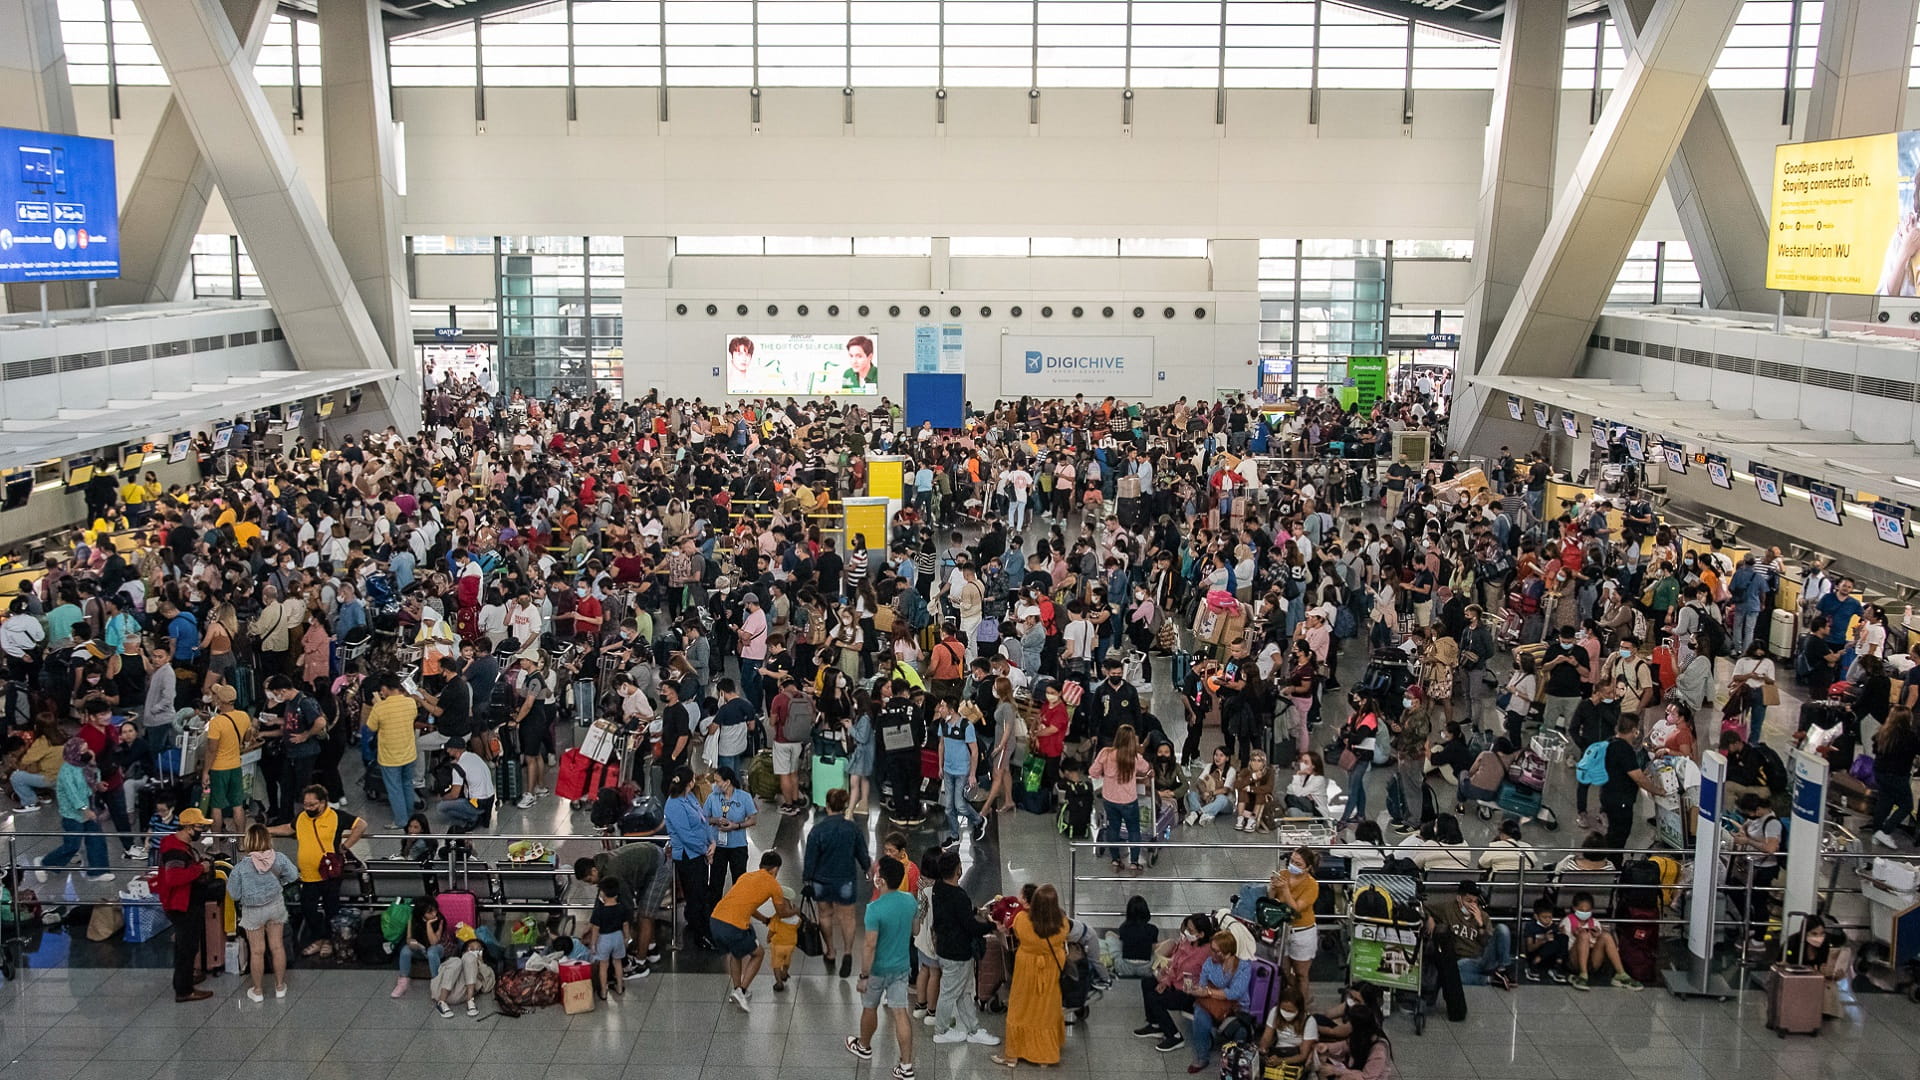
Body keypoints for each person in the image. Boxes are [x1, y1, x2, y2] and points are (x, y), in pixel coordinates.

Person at [268, 784, 367, 959]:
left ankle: (328, 940)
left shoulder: (336, 816)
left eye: (312, 805)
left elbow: (361, 825)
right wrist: (266, 830)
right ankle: (321, 938)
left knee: (331, 908)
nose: (308, 808)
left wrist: (345, 845)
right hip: (307, 875)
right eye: (305, 804)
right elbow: (289, 828)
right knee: (308, 908)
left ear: (323, 802)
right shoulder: (301, 817)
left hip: (329, 874)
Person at [846, 857, 918, 1080]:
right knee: (900, 1012)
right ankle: (906, 1066)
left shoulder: (874, 909)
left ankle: (864, 1046)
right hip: (901, 967)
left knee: (870, 1007)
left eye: (878, 875)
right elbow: (915, 931)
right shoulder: (909, 901)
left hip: (877, 969)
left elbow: (869, 945)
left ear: (882, 881)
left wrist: (863, 975)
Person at [929, 848, 1000, 1045]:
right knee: (950, 992)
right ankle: (941, 1030)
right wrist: (992, 925)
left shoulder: (939, 888)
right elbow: (970, 926)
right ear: (958, 870)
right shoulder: (958, 895)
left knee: (964, 991)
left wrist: (975, 910)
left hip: (945, 947)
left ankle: (973, 1029)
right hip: (957, 953)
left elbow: (956, 913)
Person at [994, 883, 1069, 1069]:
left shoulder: (1022, 921)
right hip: (1051, 969)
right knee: (1046, 1009)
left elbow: (1014, 930)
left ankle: (1013, 1056)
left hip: (1027, 969)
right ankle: (1044, 1055)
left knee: (1020, 1008)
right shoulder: (1062, 923)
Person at [710, 850, 795, 1011]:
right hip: (733, 925)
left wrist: (764, 920)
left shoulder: (745, 877)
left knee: (736, 954)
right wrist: (795, 912)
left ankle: (737, 989)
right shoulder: (773, 884)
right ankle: (741, 991)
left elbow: (746, 904)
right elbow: (782, 912)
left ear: (761, 865)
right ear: (776, 869)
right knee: (758, 953)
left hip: (716, 920)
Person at [803, 787, 872, 978]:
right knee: (847, 918)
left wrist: (807, 879)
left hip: (821, 880)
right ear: (844, 807)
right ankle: (848, 952)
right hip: (845, 880)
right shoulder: (852, 829)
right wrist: (868, 870)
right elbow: (862, 854)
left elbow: (810, 859)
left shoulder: (817, 830)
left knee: (825, 915)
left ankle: (831, 951)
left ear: (827, 806)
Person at [225, 823, 298, 1002]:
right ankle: (280, 987)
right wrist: (280, 882)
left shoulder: (241, 867)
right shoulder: (279, 858)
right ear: (268, 838)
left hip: (253, 911)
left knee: (257, 951)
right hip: (275, 907)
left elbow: (233, 894)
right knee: (277, 947)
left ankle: (257, 991)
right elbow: (294, 876)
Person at [156, 807, 214, 1003]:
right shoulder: (175, 851)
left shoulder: (177, 844)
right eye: (199, 827)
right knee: (186, 948)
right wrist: (201, 868)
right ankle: (184, 989)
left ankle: (186, 976)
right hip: (182, 905)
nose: (202, 831)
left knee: (185, 946)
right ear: (188, 827)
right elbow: (174, 878)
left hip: (183, 903)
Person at [1135, 911, 1216, 1052]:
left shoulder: (1206, 953)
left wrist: (1172, 985)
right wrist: (1165, 981)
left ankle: (1174, 1036)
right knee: (1147, 982)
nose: (1186, 932)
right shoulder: (1186, 943)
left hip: (1190, 992)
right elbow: (1175, 965)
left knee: (1156, 998)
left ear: (1201, 934)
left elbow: (1193, 977)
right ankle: (1154, 1024)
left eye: (1190, 931)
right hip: (1175, 984)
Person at [1184, 929, 1253, 1075]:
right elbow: (1203, 983)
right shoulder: (1209, 963)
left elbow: (1236, 993)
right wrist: (1197, 990)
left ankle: (1233, 1065)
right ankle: (1202, 1056)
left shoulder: (1243, 967)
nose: (1212, 954)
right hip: (1212, 1006)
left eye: (1216, 951)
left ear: (1227, 952)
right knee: (1200, 1015)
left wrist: (1209, 992)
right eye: (1212, 950)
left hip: (1235, 1009)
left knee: (1240, 1031)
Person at [1428, 881, 1513, 988]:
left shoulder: (1483, 915)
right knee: (1449, 974)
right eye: (1468, 901)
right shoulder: (1447, 909)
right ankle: (1491, 980)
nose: (1472, 905)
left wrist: (1480, 924)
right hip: (1464, 961)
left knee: (1502, 928)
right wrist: (1429, 918)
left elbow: (1486, 943)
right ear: (1459, 898)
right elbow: (1423, 908)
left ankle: (1503, 970)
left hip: (1484, 958)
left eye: (1475, 902)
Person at [1729, 793, 1783, 943]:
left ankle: (1758, 938)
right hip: (1750, 865)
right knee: (1735, 890)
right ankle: (1750, 923)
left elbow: (1770, 847)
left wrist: (1747, 840)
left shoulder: (1772, 824)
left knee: (1759, 901)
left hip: (1764, 868)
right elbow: (1747, 830)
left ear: (1758, 809)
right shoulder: (1755, 820)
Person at [201, 682, 252, 840]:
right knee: (238, 806)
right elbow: (248, 737)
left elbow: (211, 750)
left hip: (218, 769)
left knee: (216, 807)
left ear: (219, 701)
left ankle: (216, 845)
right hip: (236, 766)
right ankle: (242, 842)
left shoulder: (216, 723)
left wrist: (205, 771)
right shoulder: (244, 716)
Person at [1563, 891, 1643, 991]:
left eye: (1587, 911)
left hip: (1592, 961)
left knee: (1605, 936)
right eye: (1581, 910)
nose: (1584, 913)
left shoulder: (1595, 923)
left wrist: (1597, 936)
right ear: (1574, 908)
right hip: (1574, 960)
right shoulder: (1567, 921)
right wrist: (1578, 936)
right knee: (1583, 936)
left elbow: (1604, 943)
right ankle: (1582, 975)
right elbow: (1563, 945)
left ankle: (1621, 974)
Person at [1092, 725, 1147, 870]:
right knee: (1134, 830)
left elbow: (1093, 772)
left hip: (1109, 799)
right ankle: (1134, 862)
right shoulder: (1135, 758)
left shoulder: (1105, 753)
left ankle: (1115, 860)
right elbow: (1146, 768)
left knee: (1113, 828)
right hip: (1128, 800)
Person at [1273, 847, 1321, 998]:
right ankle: (1291, 999)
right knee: (1284, 972)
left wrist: (1285, 889)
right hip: (1282, 930)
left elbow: (1296, 909)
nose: (1293, 865)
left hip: (1302, 932)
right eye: (1292, 861)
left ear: (1308, 867)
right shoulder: (1283, 875)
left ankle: (1303, 1005)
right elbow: (1271, 899)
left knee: (1301, 974)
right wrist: (1272, 887)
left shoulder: (1312, 885)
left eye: (1298, 864)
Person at [705, 766, 755, 895]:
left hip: (738, 846)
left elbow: (752, 820)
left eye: (717, 781)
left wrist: (735, 826)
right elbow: (704, 818)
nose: (715, 784)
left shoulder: (744, 797)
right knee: (716, 882)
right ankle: (714, 911)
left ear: (727, 782)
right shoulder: (712, 797)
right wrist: (716, 820)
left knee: (739, 882)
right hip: (719, 846)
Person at [586, 876, 633, 1000]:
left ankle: (603, 991)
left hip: (604, 939)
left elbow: (595, 929)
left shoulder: (599, 911)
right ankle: (619, 986)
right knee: (617, 963)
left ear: (603, 893)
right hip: (618, 937)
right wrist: (627, 937)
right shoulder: (622, 908)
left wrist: (593, 944)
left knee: (603, 965)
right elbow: (625, 924)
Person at [391, 895, 447, 997]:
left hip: (438, 950)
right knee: (405, 950)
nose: (434, 914)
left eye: (435, 910)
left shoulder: (440, 919)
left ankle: (437, 983)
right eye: (430, 912)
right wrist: (412, 943)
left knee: (432, 951)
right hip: (420, 949)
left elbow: (434, 942)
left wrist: (429, 924)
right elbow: (408, 938)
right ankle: (403, 982)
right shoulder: (413, 919)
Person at [1257, 984, 1318, 1076]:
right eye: (1283, 1009)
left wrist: (1281, 1061)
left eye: (1290, 1011)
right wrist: (1263, 1050)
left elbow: (1303, 1055)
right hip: (1278, 1051)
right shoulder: (1275, 1012)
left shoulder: (1309, 1021)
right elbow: (1266, 1037)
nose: (1286, 1013)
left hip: (1296, 1057)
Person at [1520, 898, 1569, 983]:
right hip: (1535, 954)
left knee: (1563, 938)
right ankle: (1534, 964)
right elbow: (1530, 948)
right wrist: (1543, 940)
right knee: (1552, 943)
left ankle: (1558, 964)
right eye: (1544, 917)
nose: (1547, 920)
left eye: (1550, 917)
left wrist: (1560, 933)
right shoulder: (1531, 926)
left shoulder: (1553, 926)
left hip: (1549, 955)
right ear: (1536, 916)